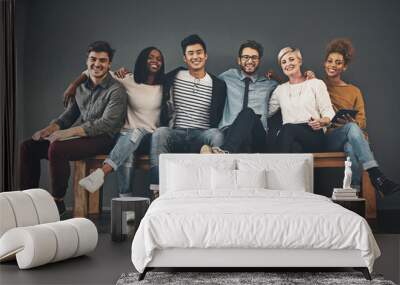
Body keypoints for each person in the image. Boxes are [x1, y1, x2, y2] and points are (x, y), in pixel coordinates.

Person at [19, 41, 127, 215]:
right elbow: (69, 116)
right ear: (87, 61)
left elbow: (107, 124)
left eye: (102, 60)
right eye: (93, 59)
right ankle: (25, 202)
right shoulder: (81, 88)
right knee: (28, 147)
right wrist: (50, 129)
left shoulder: (116, 90)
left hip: (104, 139)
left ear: (109, 64)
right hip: (81, 136)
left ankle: (58, 201)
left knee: (58, 148)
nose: (97, 64)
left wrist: (67, 133)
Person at [63, 47, 166, 196]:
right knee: (128, 152)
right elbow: (93, 72)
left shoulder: (164, 86)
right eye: (151, 57)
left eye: (159, 59)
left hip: (151, 139)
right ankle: (126, 206)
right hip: (125, 137)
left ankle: (102, 173)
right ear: (143, 59)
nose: (155, 61)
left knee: (138, 132)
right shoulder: (127, 79)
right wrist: (73, 85)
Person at [323, 38, 399, 195]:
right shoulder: (317, 85)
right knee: (351, 129)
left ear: (344, 67)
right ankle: (376, 174)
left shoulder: (354, 91)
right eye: (330, 61)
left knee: (351, 146)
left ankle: (354, 193)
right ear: (325, 63)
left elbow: (362, 121)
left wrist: (352, 121)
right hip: (329, 138)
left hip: (352, 137)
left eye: (338, 62)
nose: (333, 65)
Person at [149, 34, 226, 184]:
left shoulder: (218, 85)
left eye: (199, 52)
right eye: (191, 53)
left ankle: (219, 185)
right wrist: (123, 73)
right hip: (176, 133)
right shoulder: (172, 77)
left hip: (202, 135)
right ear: (185, 58)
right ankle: (157, 189)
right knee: (160, 133)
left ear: (205, 56)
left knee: (217, 134)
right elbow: (146, 77)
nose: (195, 56)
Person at [201, 40, 278, 154]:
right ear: (239, 60)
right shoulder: (227, 76)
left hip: (256, 137)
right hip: (229, 133)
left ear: (259, 61)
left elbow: (289, 88)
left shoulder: (269, 84)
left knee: (248, 113)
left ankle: (224, 152)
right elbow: (204, 79)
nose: (250, 61)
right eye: (246, 57)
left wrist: (305, 77)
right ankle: (224, 152)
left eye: (254, 57)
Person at [268, 47, 335, 153]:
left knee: (287, 129)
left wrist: (322, 121)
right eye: (283, 62)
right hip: (289, 138)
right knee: (293, 145)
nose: (287, 64)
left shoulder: (315, 83)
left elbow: (328, 110)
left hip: (313, 133)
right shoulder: (280, 90)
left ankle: (275, 168)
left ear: (299, 61)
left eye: (291, 59)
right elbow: (266, 112)